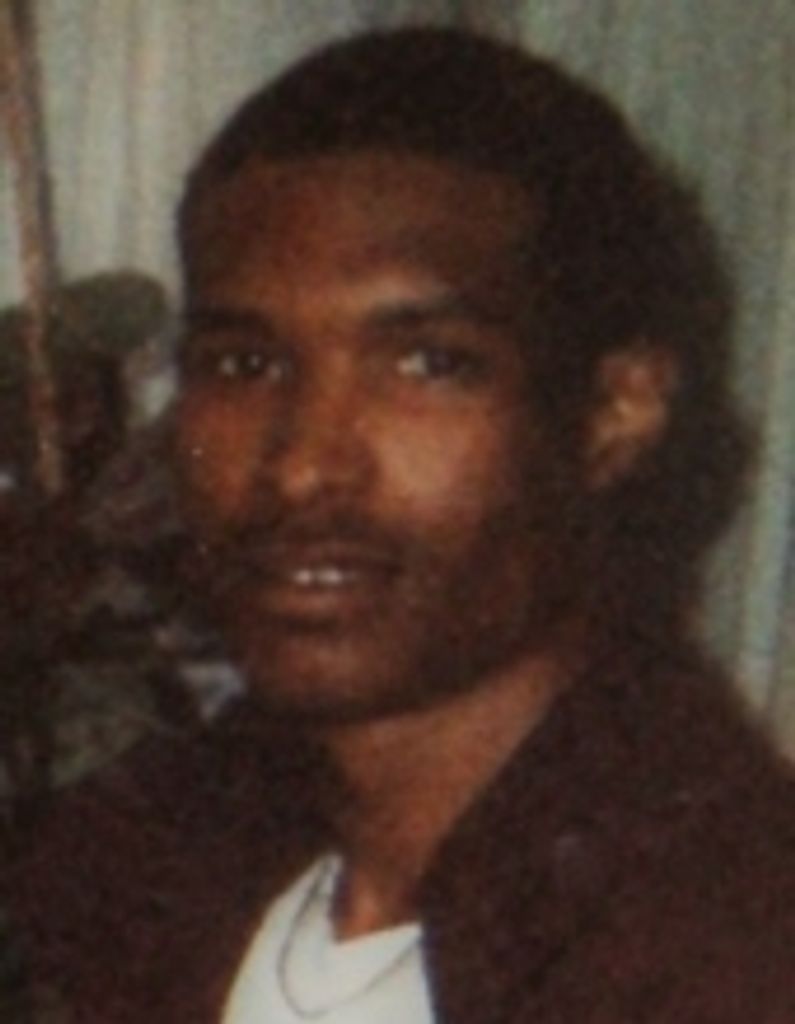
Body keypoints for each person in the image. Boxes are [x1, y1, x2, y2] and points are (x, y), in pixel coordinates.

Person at [8, 27, 793, 1024]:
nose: (302, 465)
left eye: (426, 364)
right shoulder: (146, 868)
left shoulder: (721, 943)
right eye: (245, 364)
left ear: (615, 412)